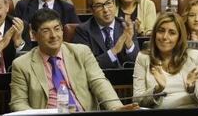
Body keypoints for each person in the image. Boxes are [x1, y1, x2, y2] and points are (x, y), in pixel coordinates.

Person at [9, 8, 138, 111]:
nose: (54, 36)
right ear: (34, 34)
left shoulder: (81, 52)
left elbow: (99, 82)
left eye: (57, 29)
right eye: (46, 31)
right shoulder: (22, 65)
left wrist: (115, 107)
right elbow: (18, 103)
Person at [133, 12, 198, 108]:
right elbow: (137, 101)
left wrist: (192, 88)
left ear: (179, 37)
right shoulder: (143, 58)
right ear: (154, 34)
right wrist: (157, 90)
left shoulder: (195, 57)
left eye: (172, 33)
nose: (164, 37)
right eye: (161, 31)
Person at [73, 0, 139, 69]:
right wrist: (114, 50)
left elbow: (138, 63)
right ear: (91, 10)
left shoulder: (125, 27)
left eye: (108, 3)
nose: (105, 10)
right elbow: (84, 65)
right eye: (99, 6)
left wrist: (129, 43)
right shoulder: (83, 31)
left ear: (114, 4)